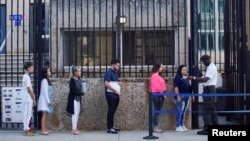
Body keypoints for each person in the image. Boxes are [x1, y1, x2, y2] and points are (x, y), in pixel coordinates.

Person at [191, 55, 219, 135]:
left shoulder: (211, 67)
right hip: (208, 90)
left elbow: (205, 79)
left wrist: (193, 78)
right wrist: (196, 77)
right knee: (212, 110)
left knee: (206, 111)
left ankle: (206, 129)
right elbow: (202, 79)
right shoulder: (209, 67)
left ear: (208, 59)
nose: (203, 63)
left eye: (204, 61)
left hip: (209, 90)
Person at [174, 65, 195, 132]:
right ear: (180, 70)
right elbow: (176, 87)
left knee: (184, 112)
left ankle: (182, 125)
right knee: (180, 112)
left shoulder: (185, 79)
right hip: (181, 97)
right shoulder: (177, 78)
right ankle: (178, 126)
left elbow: (189, 87)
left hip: (187, 97)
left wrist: (192, 95)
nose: (185, 71)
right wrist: (178, 96)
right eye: (183, 69)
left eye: (186, 69)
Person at [104, 59, 122, 134]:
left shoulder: (115, 73)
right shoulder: (109, 73)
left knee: (113, 111)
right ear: (113, 65)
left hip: (116, 95)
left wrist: (118, 84)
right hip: (110, 95)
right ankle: (109, 128)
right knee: (111, 111)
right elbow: (106, 84)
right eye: (117, 65)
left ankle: (112, 126)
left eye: (119, 65)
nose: (118, 67)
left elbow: (113, 82)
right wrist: (114, 90)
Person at [66, 65, 84, 135]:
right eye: (78, 71)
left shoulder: (79, 80)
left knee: (78, 113)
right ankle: (73, 129)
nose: (80, 72)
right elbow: (73, 91)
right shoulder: (72, 80)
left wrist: (83, 91)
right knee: (74, 113)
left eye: (80, 71)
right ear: (75, 72)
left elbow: (80, 88)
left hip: (78, 98)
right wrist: (80, 92)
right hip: (73, 99)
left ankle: (75, 127)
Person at [150, 61, 167, 133]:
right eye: (161, 67)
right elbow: (156, 87)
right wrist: (162, 93)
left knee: (157, 112)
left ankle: (156, 126)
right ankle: (155, 127)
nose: (162, 68)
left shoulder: (158, 75)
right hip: (157, 95)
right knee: (156, 112)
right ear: (157, 67)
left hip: (159, 95)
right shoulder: (154, 76)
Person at [22, 62, 36, 136]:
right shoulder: (26, 77)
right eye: (31, 67)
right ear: (28, 68)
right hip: (27, 98)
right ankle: (26, 129)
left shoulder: (26, 76)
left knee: (27, 113)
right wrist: (33, 97)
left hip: (26, 97)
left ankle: (27, 128)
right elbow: (29, 89)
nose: (32, 68)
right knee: (28, 113)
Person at [37, 67, 53, 135]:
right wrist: (48, 101)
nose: (50, 72)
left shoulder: (46, 80)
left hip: (46, 99)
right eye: (48, 71)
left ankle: (45, 128)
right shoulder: (44, 81)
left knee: (46, 115)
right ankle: (43, 130)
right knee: (44, 115)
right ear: (45, 73)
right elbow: (45, 92)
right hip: (44, 100)